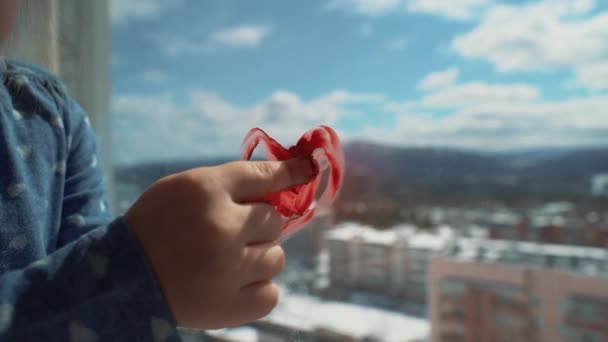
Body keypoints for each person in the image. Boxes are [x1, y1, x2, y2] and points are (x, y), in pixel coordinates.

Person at [0, 1, 315, 340]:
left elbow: (83, 248)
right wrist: (131, 274)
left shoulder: (52, 115)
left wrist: (140, 268)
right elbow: (96, 263)